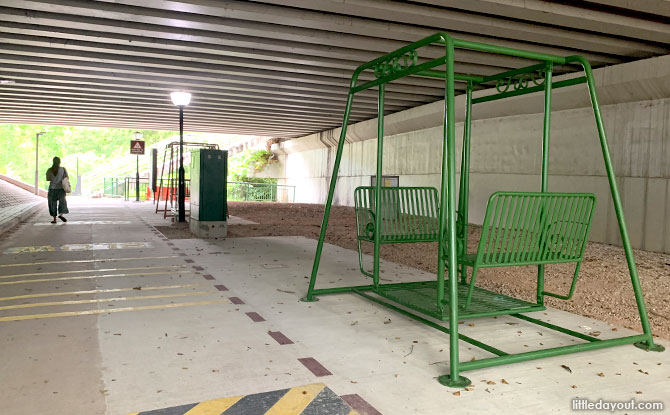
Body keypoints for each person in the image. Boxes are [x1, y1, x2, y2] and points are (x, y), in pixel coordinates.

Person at [46, 156, 69, 223]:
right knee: (62, 202)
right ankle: (61, 215)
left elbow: (48, 179)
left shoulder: (49, 170)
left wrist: (53, 178)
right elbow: (67, 177)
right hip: (61, 189)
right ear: (59, 162)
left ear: (53, 162)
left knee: (52, 204)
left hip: (52, 189)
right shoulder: (63, 169)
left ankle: (54, 219)